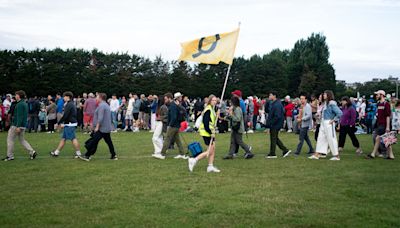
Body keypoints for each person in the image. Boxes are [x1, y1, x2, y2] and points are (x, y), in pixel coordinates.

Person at [80, 93, 118, 161]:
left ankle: (87, 155)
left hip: (102, 128)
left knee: (94, 141)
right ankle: (113, 155)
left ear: (100, 98)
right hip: (105, 127)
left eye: (97, 97)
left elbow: (100, 118)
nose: (96, 98)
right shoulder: (105, 105)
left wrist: (97, 127)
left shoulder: (102, 106)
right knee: (108, 142)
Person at [188, 95, 220, 173]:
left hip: (210, 131)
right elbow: (206, 123)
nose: (214, 102)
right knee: (209, 151)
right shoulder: (208, 109)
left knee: (213, 150)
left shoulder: (212, 109)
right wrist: (210, 132)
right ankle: (194, 160)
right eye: (213, 100)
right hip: (206, 132)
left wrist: (217, 115)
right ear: (209, 101)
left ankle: (210, 166)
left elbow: (213, 121)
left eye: (215, 100)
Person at [309, 90, 343, 161]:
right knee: (320, 138)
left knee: (331, 139)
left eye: (324, 94)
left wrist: (334, 120)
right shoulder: (326, 104)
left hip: (328, 123)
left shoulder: (332, 104)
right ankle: (317, 154)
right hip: (323, 122)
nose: (323, 95)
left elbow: (339, 113)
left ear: (328, 95)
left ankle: (336, 156)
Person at [4, 90, 37, 161]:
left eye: (16, 95)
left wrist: (18, 126)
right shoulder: (24, 103)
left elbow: (20, 116)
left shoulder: (19, 104)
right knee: (22, 140)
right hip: (23, 125)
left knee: (10, 140)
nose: (15, 96)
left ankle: (9, 156)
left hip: (16, 125)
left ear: (19, 96)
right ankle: (32, 151)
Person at [50, 91, 82, 158]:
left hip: (70, 124)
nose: (63, 98)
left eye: (64, 96)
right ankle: (56, 152)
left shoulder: (69, 104)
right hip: (69, 124)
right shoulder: (70, 104)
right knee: (63, 138)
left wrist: (58, 123)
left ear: (68, 97)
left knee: (73, 139)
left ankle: (78, 153)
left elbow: (65, 116)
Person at [156, 92, 187, 160]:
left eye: (166, 99)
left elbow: (174, 117)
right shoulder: (174, 104)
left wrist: (169, 125)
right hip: (176, 125)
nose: (165, 100)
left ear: (170, 98)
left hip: (173, 126)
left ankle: (162, 154)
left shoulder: (173, 105)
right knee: (178, 140)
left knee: (167, 139)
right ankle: (182, 154)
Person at [366, 90, 395, 160]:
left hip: (384, 124)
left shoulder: (386, 104)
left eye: (377, 95)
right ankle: (391, 155)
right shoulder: (379, 104)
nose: (376, 96)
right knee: (387, 140)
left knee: (378, 138)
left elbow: (388, 116)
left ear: (381, 95)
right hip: (379, 124)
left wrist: (387, 127)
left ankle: (373, 154)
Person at [266, 91, 291, 158]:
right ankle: (285, 150)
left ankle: (273, 153)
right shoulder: (275, 103)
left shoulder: (277, 104)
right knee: (275, 138)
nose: (269, 96)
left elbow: (277, 116)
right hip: (275, 124)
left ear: (274, 96)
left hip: (275, 124)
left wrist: (271, 123)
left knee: (273, 138)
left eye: (270, 95)